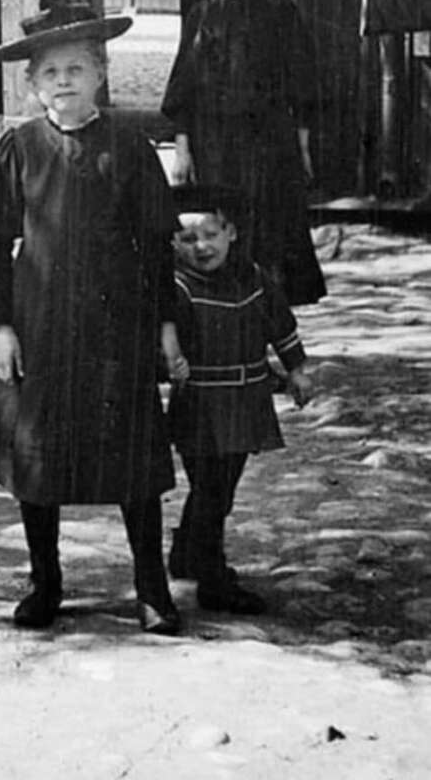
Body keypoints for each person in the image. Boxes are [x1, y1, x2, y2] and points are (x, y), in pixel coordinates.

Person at [0, 3, 184, 636]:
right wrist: (2, 328)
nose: (63, 81)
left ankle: (151, 588)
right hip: (40, 324)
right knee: (39, 456)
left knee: (130, 456)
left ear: (100, 75)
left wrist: (165, 325)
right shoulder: (20, 147)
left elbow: (155, 245)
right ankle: (46, 581)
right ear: (33, 84)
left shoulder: (128, 145)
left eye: (76, 69)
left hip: (116, 325)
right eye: (50, 73)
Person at [160, 0, 326, 306]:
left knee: (269, 215)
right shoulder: (201, 15)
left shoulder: (278, 10)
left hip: (269, 137)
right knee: (223, 214)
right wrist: (182, 151)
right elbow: (183, 87)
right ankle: (225, 296)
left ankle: (268, 302)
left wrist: (302, 145)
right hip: (213, 138)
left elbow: (301, 81)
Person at [164, 184, 314, 614]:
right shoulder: (176, 286)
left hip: (247, 400)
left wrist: (297, 368)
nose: (202, 246)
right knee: (211, 489)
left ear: (231, 232)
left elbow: (280, 324)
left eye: (211, 234)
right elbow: (161, 337)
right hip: (201, 405)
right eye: (188, 239)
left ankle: (186, 554)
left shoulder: (252, 279)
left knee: (220, 488)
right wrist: (168, 362)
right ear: (173, 242)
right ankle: (212, 580)